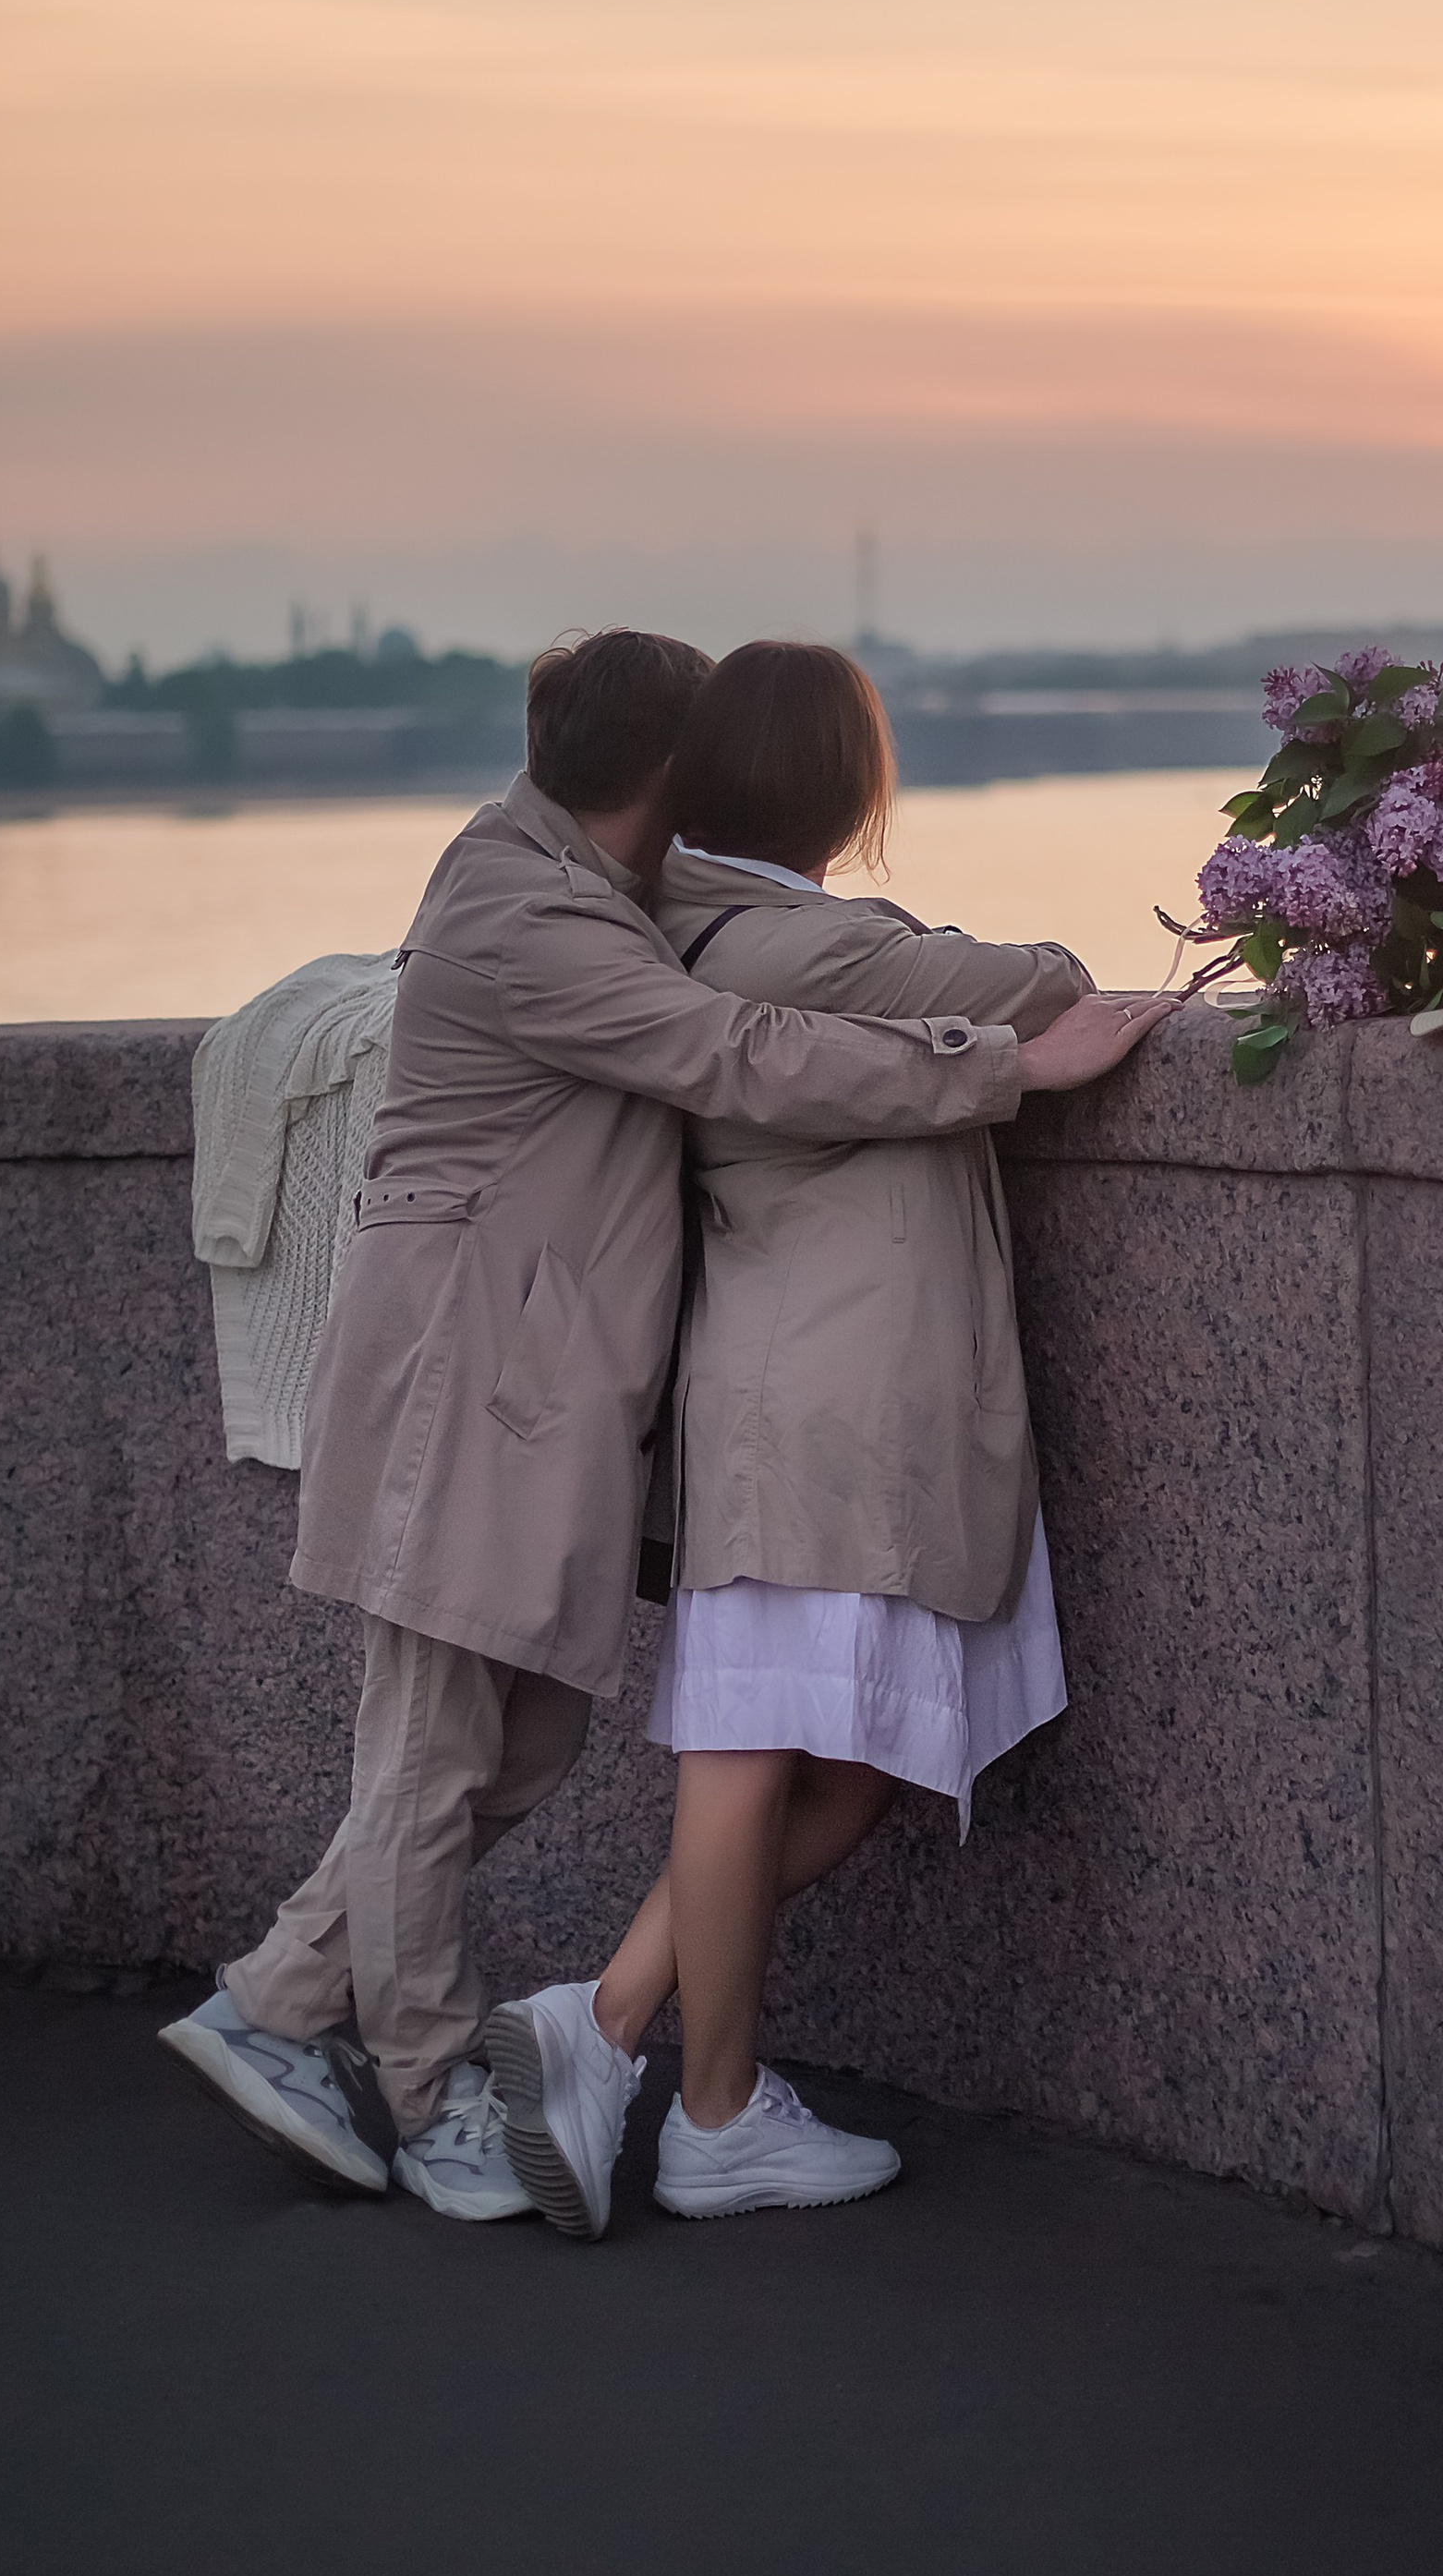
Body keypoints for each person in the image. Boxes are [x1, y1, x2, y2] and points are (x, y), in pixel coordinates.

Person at [160, 627, 1166, 2219]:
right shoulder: (525, 909)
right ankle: (424, 2103)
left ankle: (280, 2002)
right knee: (431, 1750)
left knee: (522, 1738)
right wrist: (998, 1067)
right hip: (464, 1370)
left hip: (535, 1384)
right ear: (667, 775)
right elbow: (734, 1053)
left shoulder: (587, 889)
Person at [487, 642, 1170, 2235]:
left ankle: (596, 2024)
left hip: (803, 1401)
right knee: (754, 1762)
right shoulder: (774, 940)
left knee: (847, 1765)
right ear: (844, 786)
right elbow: (1044, 986)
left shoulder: (694, 923)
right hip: (815, 1413)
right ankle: (714, 2117)